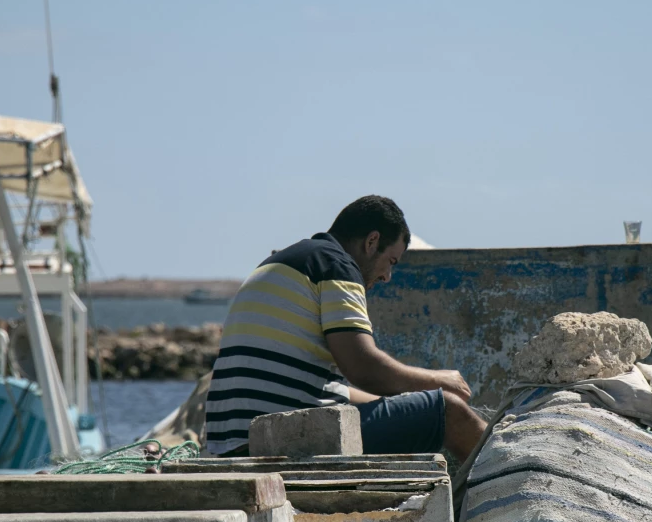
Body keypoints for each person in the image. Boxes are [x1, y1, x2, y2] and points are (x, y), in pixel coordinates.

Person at [204, 195, 487, 459]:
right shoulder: (335, 264)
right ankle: (515, 485)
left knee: (425, 407)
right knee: (448, 412)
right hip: (281, 440)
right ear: (372, 241)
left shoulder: (283, 263)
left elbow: (337, 390)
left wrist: (405, 404)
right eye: (391, 261)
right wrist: (440, 382)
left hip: (231, 445)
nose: (387, 276)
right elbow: (363, 369)